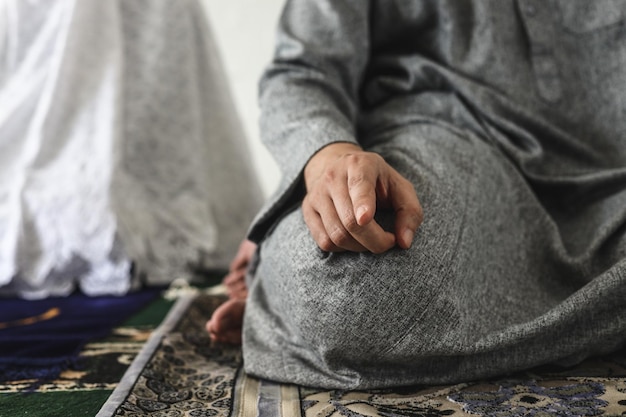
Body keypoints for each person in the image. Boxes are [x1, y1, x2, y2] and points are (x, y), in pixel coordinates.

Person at [207, 0, 626, 389]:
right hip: (447, 140)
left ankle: (288, 315)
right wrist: (328, 158)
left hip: (613, 176)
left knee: (356, 315)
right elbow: (301, 71)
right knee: (352, 299)